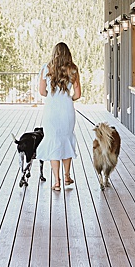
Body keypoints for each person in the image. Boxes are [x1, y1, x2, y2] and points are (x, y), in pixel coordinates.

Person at [36, 42, 82, 194]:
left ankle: (57, 181)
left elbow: (42, 92)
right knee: (66, 140)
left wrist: (52, 95)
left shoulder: (46, 68)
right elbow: (78, 94)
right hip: (67, 109)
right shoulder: (73, 69)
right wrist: (69, 98)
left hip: (51, 109)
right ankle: (67, 176)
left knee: (53, 140)